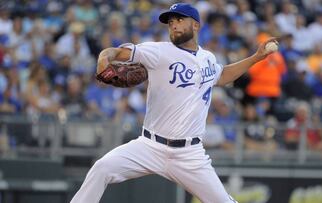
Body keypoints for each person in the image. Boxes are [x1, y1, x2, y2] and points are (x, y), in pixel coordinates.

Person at [71, 3, 277, 203]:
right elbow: (118, 52)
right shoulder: (159, 52)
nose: (174, 25)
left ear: (196, 25)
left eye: (179, 19)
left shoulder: (207, 58)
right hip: (149, 146)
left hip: (189, 155)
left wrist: (256, 57)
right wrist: (106, 55)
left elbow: (223, 75)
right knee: (102, 168)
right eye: (170, 22)